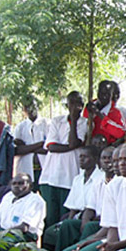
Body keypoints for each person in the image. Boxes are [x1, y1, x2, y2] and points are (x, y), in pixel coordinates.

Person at [39, 92, 88, 235]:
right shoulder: (56, 121)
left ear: (82, 106)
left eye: (78, 103)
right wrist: (71, 147)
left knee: (64, 219)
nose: (74, 107)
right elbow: (51, 146)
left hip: (70, 177)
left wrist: (73, 122)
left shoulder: (85, 123)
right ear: (67, 105)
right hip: (51, 176)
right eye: (71, 103)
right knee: (50, 219)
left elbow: (74, 142)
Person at [41, 145, 100, 251]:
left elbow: (93, 207)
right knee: (52, 231)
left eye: (85, 157)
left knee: (70, 226)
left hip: (92, 217)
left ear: (95, 159)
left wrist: (82, 220)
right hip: (78, 216)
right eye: (80, 157)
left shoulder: (100, 178)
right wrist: (69, 219)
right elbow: (73, 206)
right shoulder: (77, 179)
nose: (81, 160)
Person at [13, 99, 48, 186]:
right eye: (27, 108)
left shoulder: (47, 124)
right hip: (26, 170)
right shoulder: (20, 127)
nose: (31, 110)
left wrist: (27, 147)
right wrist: (39, 144)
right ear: (24, 110)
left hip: (44, 169)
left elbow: (48, 149)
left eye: (34, 106)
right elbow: (17, 151)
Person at [84, 80, 126, 145]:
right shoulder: (89, 107)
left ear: (112, 95)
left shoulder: (116, 113)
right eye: (102, 93)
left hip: (106, 149)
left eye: (108, 94)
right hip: (89, 147)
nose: (104, 97)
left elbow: (121, 133)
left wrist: (99, 114)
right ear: (98, 92)